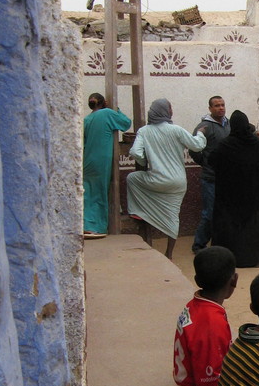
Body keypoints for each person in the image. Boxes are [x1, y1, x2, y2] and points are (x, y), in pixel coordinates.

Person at [126, 98, 206, 260]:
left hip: (156, 180)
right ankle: (169, 253)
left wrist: (144, 161)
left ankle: (138, 211)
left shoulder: (144, 131)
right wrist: (201, 133)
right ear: (166, 112)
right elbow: (197, 145)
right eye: (170, 108)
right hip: (178, 182)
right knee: (172, 216)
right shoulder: (176, 130)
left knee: (132, 178)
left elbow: (135, 153)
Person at [173, 246, 237, 386]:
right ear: (234, 280)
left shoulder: (195, 304)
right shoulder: (212, 322)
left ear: (197, 280)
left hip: (189, 384)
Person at [207, 110, 259, 268]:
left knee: (229, 225)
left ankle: (227, 258)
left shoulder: (225, 145)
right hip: (253, 194)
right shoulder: (257, 144)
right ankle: (253, 258)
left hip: (229, 194)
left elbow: (212, 160)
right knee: (252, 226)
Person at [82, 92, 131, 237]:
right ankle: (97, 227)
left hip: (87, 160)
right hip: (102, 160)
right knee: (101, 193)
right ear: (104, 103)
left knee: (88, 194)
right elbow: (126, 123)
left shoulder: (87, 119)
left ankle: (85, 224)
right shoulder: (108, 113)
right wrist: (116, 108)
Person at [190, 95, 230, 253]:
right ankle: (199, 245)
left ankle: (220, 243)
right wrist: (205, 163)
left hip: (226, 178)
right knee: (209, 213)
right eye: (217, 105)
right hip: (210, 178)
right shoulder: (204, 127)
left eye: (222, 105)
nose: (220, 108)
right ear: (210, 109)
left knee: (225, 212)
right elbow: (194, 149)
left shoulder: (229, 124)